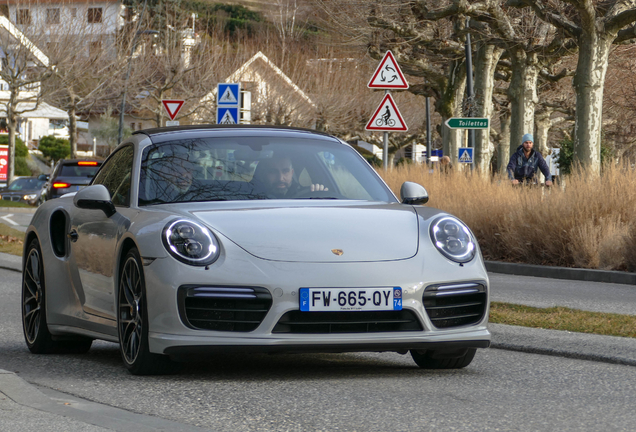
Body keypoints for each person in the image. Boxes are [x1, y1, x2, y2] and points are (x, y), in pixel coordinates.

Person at [252, 155, 327, 198]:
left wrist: (318, 196)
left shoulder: (307, 195)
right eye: (273, 172)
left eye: (285, 171)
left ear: (292, 173)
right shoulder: (249, 195)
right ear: (264, 174)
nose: (280, 178)